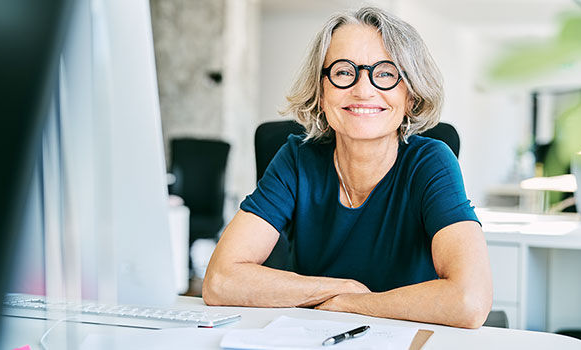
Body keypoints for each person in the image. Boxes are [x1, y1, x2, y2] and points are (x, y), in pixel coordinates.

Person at [202, 6, 492, 329]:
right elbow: (220, 279)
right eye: (343, 72)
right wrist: (339, 288)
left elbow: (470, 300)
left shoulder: (431, 162)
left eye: (385, 73)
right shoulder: (297, 158)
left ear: (409, 95)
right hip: (315, 338)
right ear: (321, 94)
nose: (363, 90)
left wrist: (355, 304)